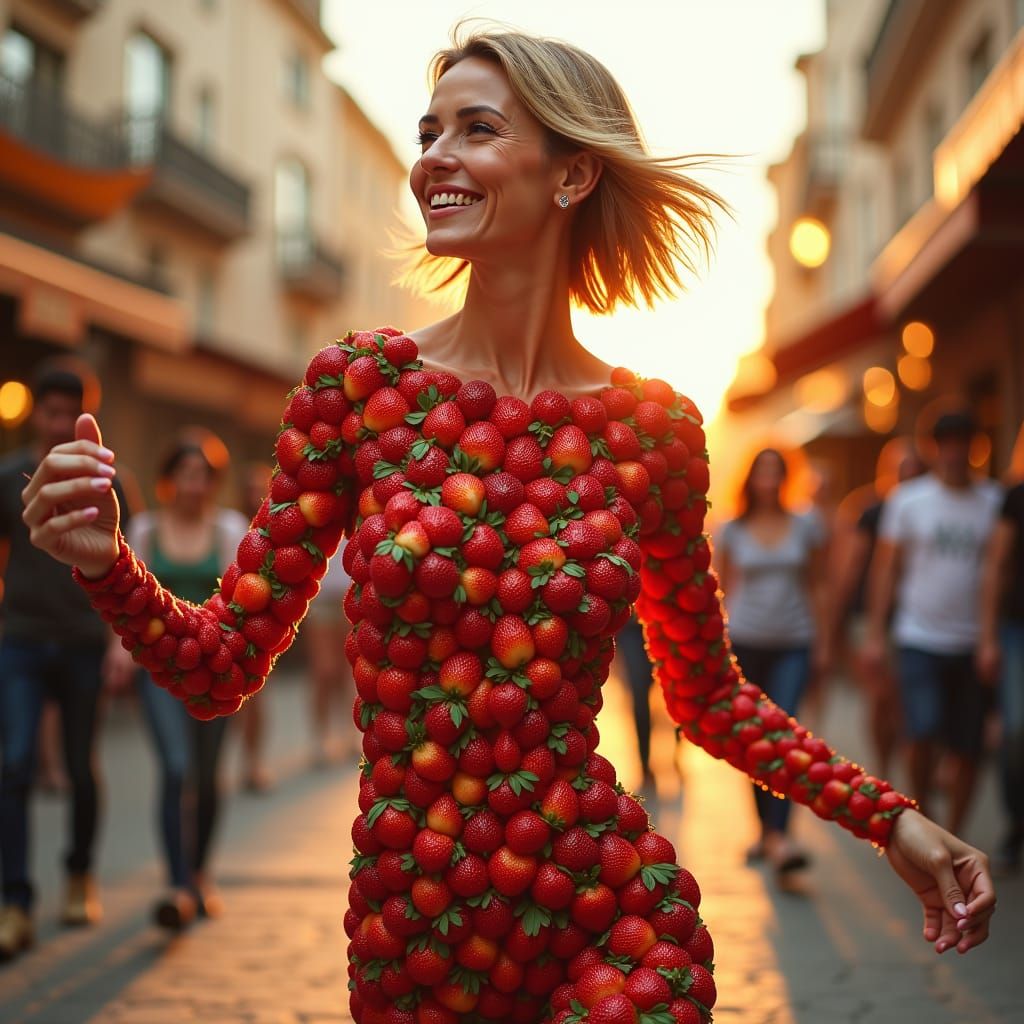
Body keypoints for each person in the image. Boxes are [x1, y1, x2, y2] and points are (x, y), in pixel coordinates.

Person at [20, 26, 995, 1019]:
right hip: (419, 927)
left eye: (475, 128)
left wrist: (891, 820)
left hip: (605, 901)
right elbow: (219, 666)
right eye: (426, 130)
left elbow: (708, 699)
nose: (433, 156)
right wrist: (109, 566)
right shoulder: (358, 387)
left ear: (571, 176)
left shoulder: (652, 428)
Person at [0, 363, 132, 961]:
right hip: (21, 640)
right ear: (37, 413)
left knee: (81, 767)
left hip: (83, 639)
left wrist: (115, 645)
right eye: (49, 411)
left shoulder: (108, 482)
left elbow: (125, 568)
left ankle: (80, 876)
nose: (57, 423)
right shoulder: (7, 477)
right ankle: (16, 902)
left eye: (68, 413)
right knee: (15, 764)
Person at [108, 434, 248, 929]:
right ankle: (176, 883)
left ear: (213, 483)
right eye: (186, 474)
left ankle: (199, 873)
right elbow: (126, 601)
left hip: (216, 671)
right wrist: (117, 652)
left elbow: (244, 601)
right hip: (160, 672)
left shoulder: (231, 529)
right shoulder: (143, 530)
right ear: (169, 481)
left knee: (207, 778)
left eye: (203, 475)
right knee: (175, 768)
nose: (195, 484)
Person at [866, 411, 1002, 837]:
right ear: (934, 448)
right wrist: (874, 633)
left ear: (976, 448)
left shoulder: (994, 502)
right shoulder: (908, 501)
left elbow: (999, 570)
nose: (956, 451)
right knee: (920, 734)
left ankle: (955, 832)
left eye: (965, 441)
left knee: (967, 746)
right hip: (917, 637)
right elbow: (885, 570)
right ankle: (927, 821)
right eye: (948, 442)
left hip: (970, 642)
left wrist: (989, 638)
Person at [716, 448, 828, 880]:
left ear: (785, 477)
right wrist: (721, 648)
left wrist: (824, 643)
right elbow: (722, 590)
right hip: (747, 640)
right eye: (761, 469)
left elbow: (817, 584)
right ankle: (766, 832)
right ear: (751, 477)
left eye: (775, 470)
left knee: (785, 736)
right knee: (754, 740)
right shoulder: (732, 528)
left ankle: (780, 834)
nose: (768, 477)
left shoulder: (806, 525)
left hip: (795, 641)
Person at [831, 438, 926, 777]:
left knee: (902, 698)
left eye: (914, 469)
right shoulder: (870, 511)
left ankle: (904, 760)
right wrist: (837, 620)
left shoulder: (924, 508)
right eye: (902, 469)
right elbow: (852, 565)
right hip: (867, 616)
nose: (908, 476)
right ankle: (883, 764)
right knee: (881, 696)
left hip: (912, 615)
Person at [977, 438, 1024, 874]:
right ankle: (1015, 823)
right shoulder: (1015, 496)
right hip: (1017, 631)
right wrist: (989, 636)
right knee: (1016, 731)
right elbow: (997, 564)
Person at [238, 462, 274, 792]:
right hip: (229, 620)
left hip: (263, 624)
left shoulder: (280, 527)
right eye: (250, 490)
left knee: (257, 698)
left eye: (260, 489)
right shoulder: (235, 525)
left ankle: (253, 761)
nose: (256, 496)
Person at [303, 544, 355, 767]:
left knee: (348, 669)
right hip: (320, 595)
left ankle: (351, 733)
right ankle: (321, 736)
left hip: (351, 591)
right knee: (324, 670)